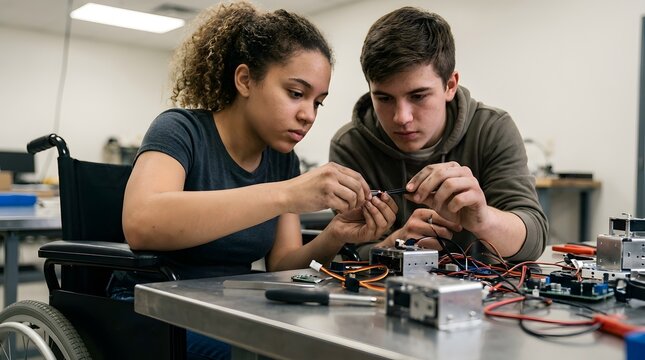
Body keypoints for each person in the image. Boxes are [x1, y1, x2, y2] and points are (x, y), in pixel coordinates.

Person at [117, 2, 398, 359]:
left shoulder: (281, 160)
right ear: (245, 80)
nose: (308, 115)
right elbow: (142, 222)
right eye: (296, 93)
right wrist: (286, 194)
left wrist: (336, 234)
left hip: (228, 308)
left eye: (318, 102)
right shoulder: (180, 130)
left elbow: (282, 266)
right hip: (155, 310)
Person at [329, 6, 548, 262]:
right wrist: (395, 244)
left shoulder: (491, 129)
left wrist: (484, 220)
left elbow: (534, 239)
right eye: (384, 98)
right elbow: (347, 253)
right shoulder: (350, 145)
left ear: (450, 85)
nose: (402, 117)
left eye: (418, 96)